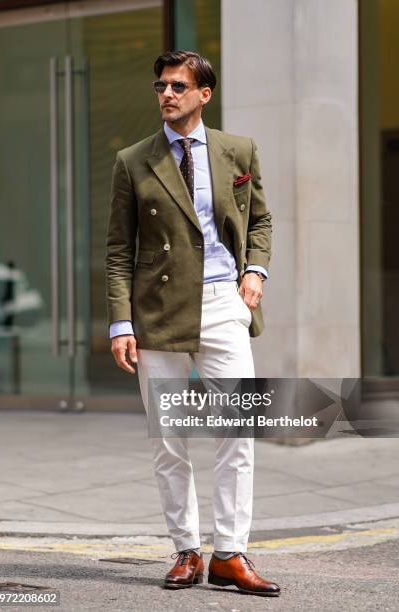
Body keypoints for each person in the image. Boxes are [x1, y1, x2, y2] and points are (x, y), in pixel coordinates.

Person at [105, 50, 280, 597]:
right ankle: (186, 550)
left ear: (204, 94)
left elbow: (260, 220)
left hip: (225, 304)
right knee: (170, 438)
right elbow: (118, 250)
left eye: (178, 86)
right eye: (160, 86)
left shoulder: (237, 150)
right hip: (157, 313)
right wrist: (119, 322)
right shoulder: (133, 160)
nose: (166, 94)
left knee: (237, 429)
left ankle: (230, 552)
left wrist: (255, 271)